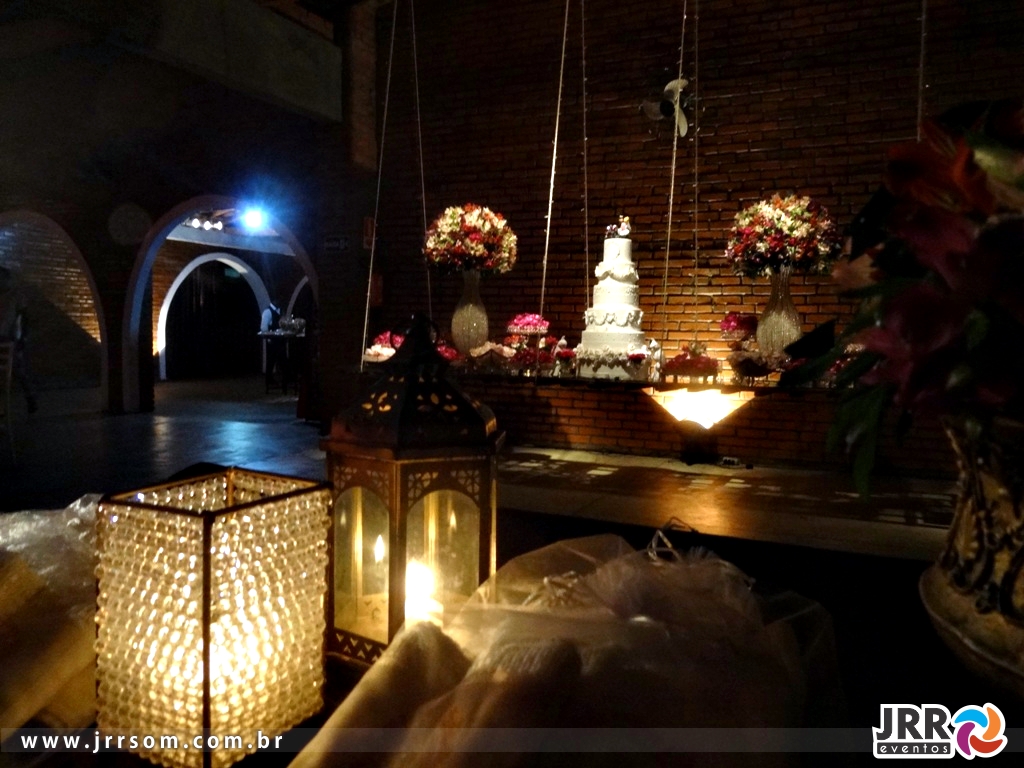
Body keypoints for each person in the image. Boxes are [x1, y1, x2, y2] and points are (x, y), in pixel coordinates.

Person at [0, 266, 38, 413]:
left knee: (19, 369)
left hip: (10, 338)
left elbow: (24, 317)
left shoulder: (16, 295)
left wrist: (23, 338)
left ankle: (30, 397)